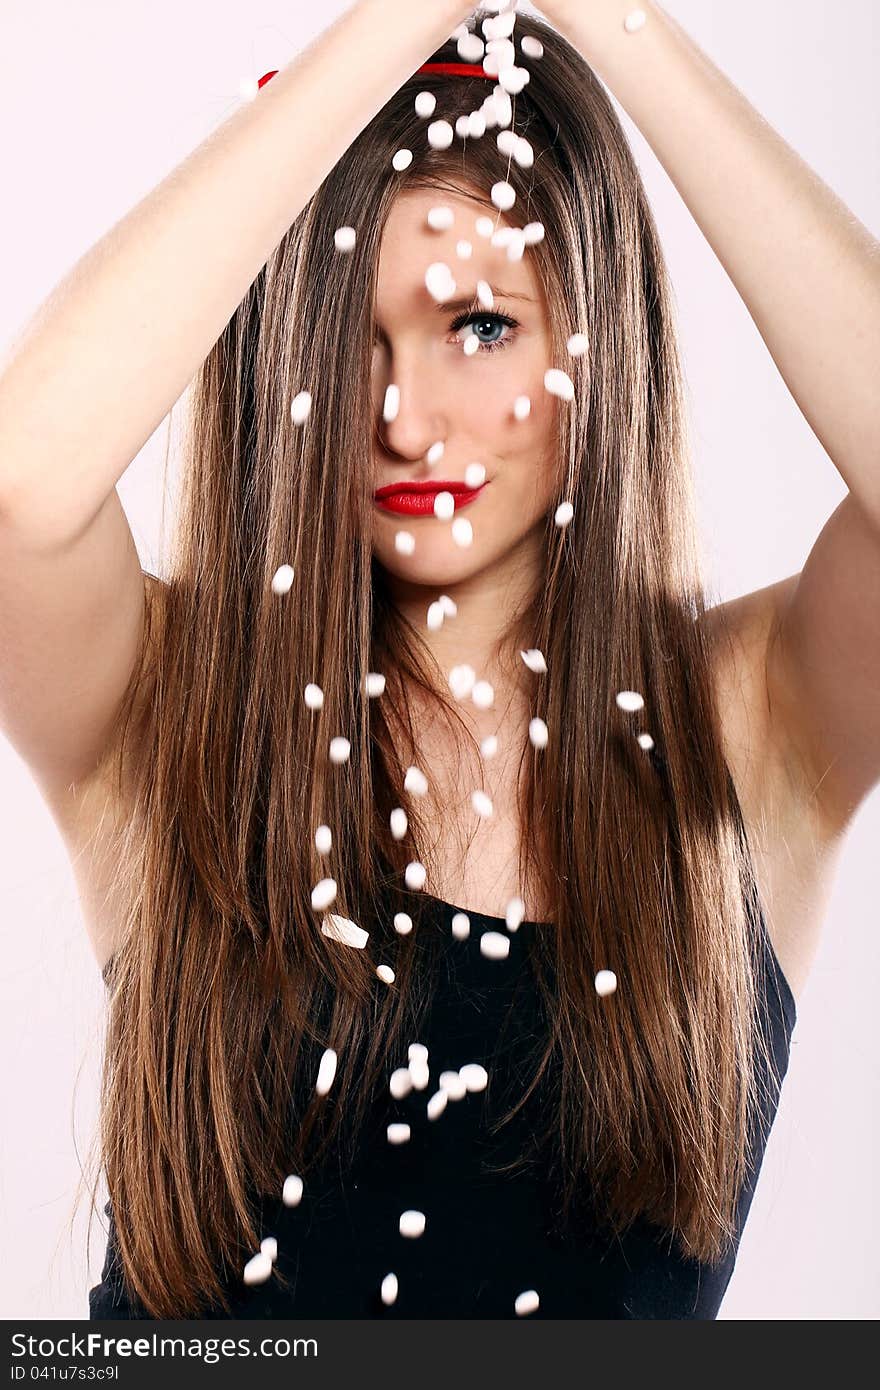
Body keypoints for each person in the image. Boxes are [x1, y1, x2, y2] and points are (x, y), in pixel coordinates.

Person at [0, 0, 876, 1320]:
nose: (406, 418)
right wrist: (397, 23)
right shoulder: (169, 710)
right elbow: (18, 489)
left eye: (479, 325)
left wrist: (616, 23)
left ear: (595, 339)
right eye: (351, 334)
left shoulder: (746, 725)